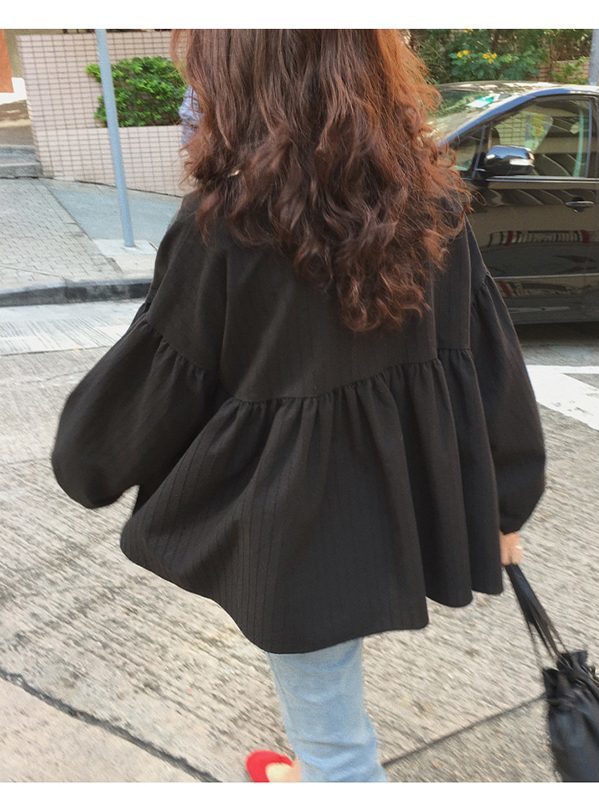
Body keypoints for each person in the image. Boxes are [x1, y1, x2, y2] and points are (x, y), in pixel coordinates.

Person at [50, 30, 546, 783]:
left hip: (301, 527)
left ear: (240, 79)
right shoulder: (433, 202)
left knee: (336, 742)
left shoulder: (227, 223)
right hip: (402, 504)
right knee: (329, 702)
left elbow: (157, 382)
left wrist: (87, 460)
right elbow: (489, 363)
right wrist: (508, 501)